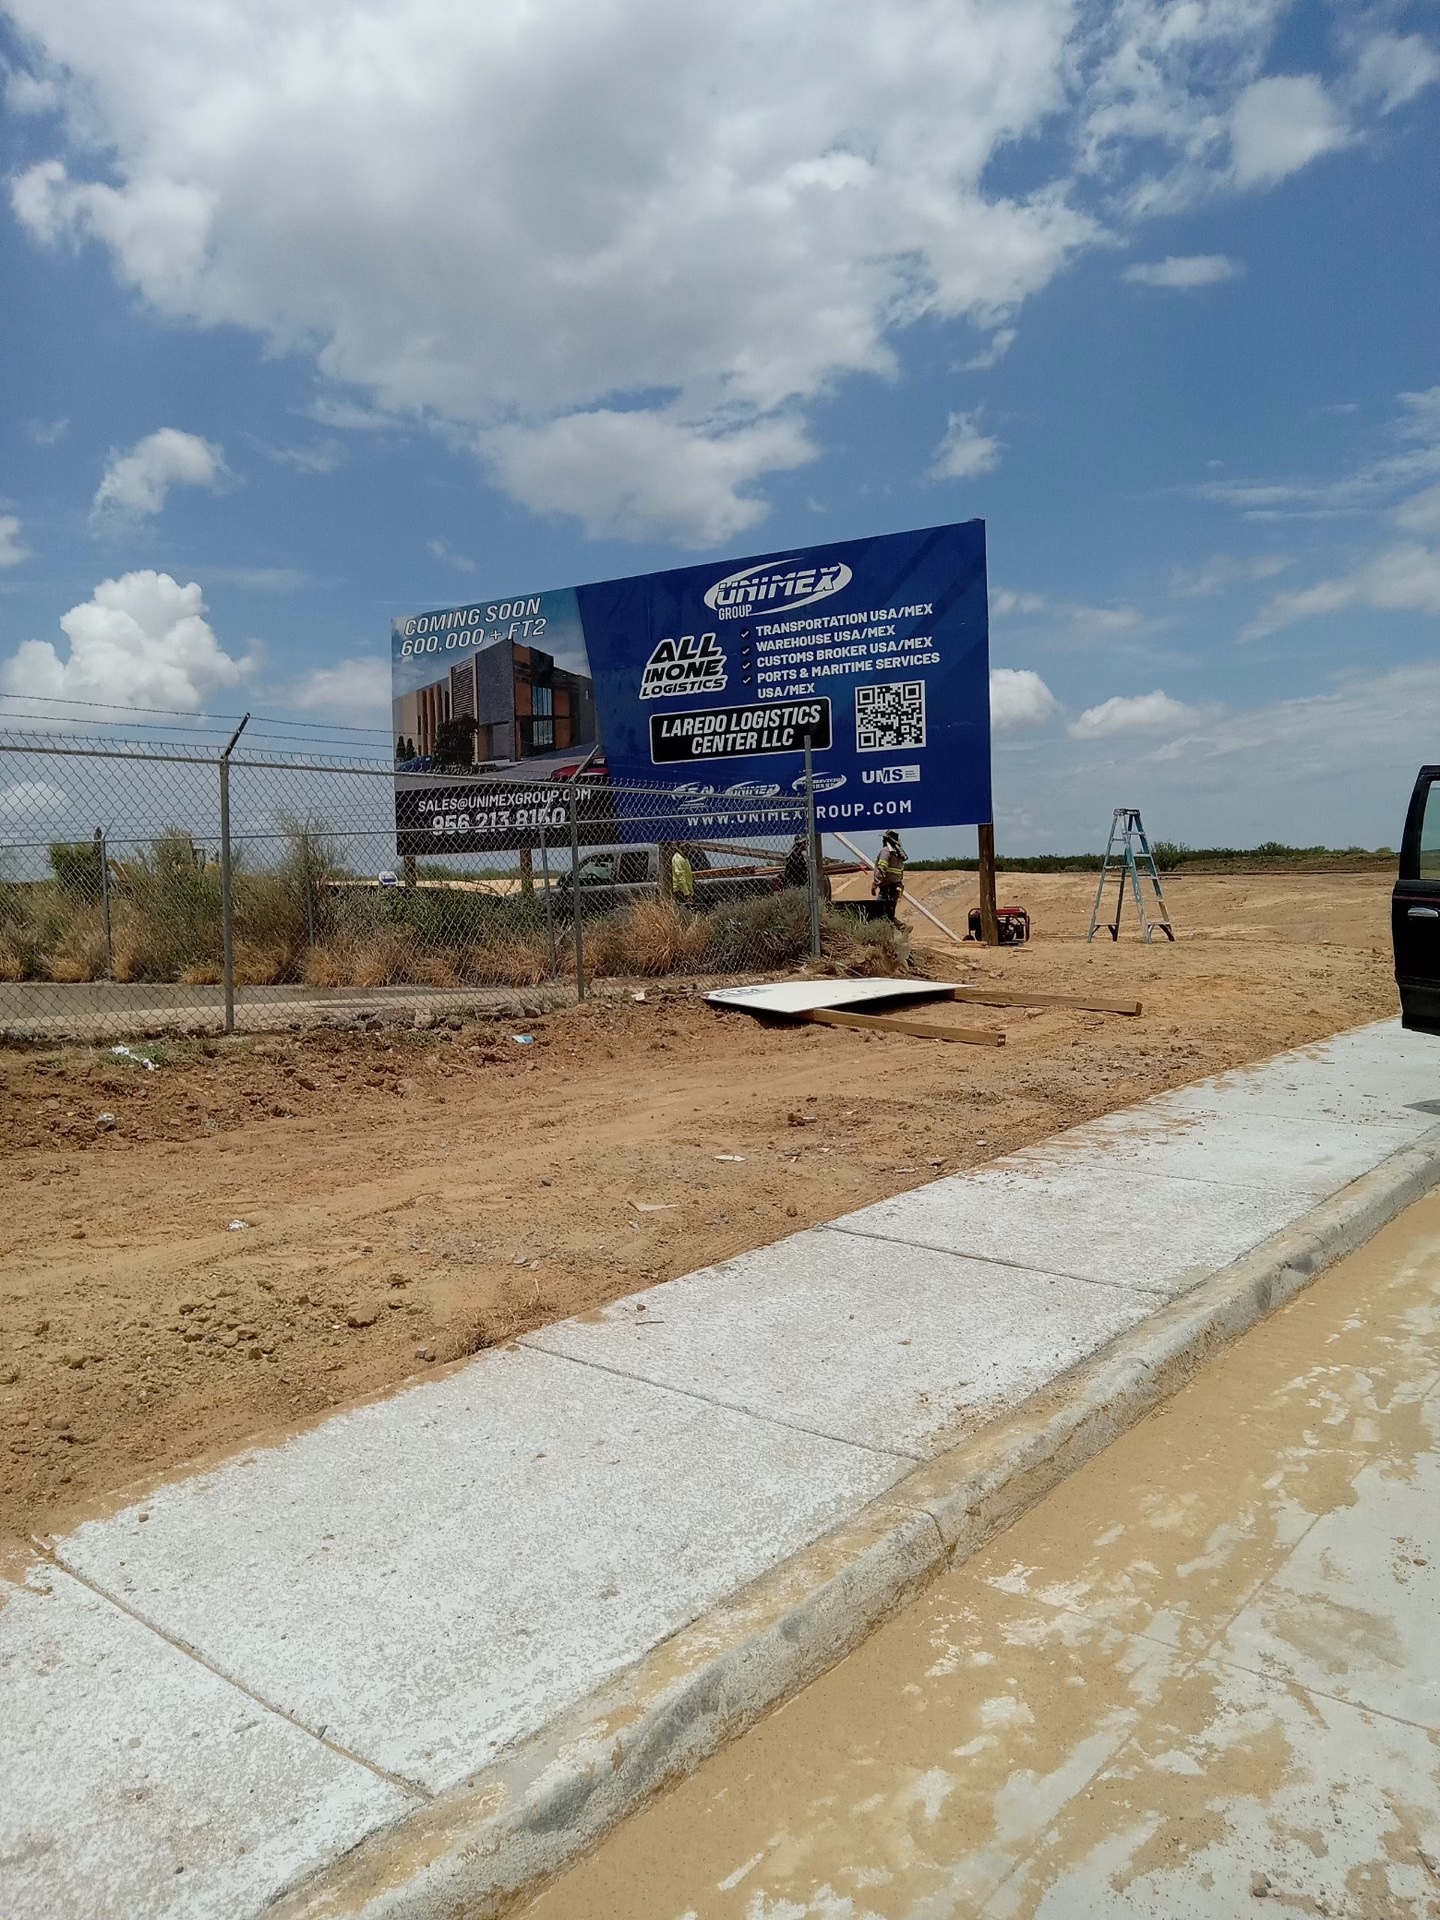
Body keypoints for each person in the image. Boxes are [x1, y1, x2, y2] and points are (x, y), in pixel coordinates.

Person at [872, 829, 907, 920]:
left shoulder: (886, 851)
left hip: (887, 888)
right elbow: (901, 872)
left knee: (879, 914)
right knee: (889, 914)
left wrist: (875, 884)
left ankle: (900, 927)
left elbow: (881, 868)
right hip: (896, 887)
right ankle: (902, 928)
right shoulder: (899, 854)